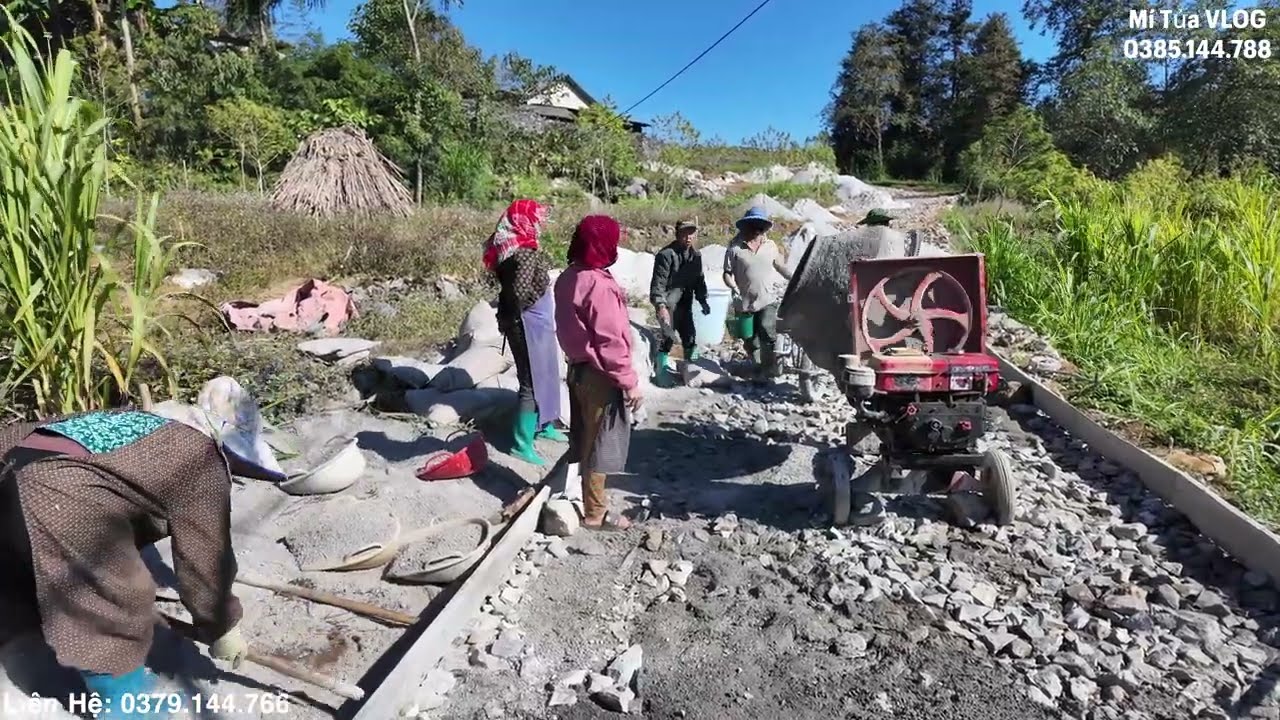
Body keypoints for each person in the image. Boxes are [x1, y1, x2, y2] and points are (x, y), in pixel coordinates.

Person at [0, 410, 247, 716]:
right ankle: (121, 704)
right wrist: (222, 624)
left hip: (11, 464)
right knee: (112, 594)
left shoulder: (143, 423)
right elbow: (206, 555)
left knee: (17, 561)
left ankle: (21, 640)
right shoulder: (201, 458)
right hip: (59, 491)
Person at [554, 215, 641, 531]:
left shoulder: (568, 277)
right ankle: (595, 514)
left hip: (578, 370)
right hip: (598, 374)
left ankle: (587, 500)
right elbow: (609, 340)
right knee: (599, 444)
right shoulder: (597, 285)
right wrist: (629, 381)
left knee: (587, 437)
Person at [483, 199, 568, 466]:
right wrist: (538, 295)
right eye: (535, 220)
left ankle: (544, 424)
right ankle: (522, 443)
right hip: (527, 323)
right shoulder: (524, 252)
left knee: (547, 372)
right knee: (531, 382)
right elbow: (520, 293)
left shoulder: (507, 250)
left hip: (527, 322)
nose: (539, 225)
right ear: (523, 222)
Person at [722, 206, 793, 380]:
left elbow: (779, 266)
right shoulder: (735, 248)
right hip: (744, 301)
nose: (757, 231)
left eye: (760, 228)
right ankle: (758, 367)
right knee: (750, 338)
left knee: (767, 331)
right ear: (746, 227)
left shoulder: (770, 246)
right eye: (754, 227)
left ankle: (769, 369)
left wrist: (795, 277)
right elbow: (727, 273)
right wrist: (733, 287)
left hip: (767, 298)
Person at [648, 219, 710, 387]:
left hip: (685, 304)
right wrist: (660, 306)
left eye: (691, 233)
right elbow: (658, 283)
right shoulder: (665, 255)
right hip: (669, 306)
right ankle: (661, 371)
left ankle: (694, 367)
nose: (688, 237)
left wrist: (703, 300)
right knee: (668, 338)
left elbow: (699, 280)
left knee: (690, 337)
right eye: (685, 233)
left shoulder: (695, 256)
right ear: (677, 234)